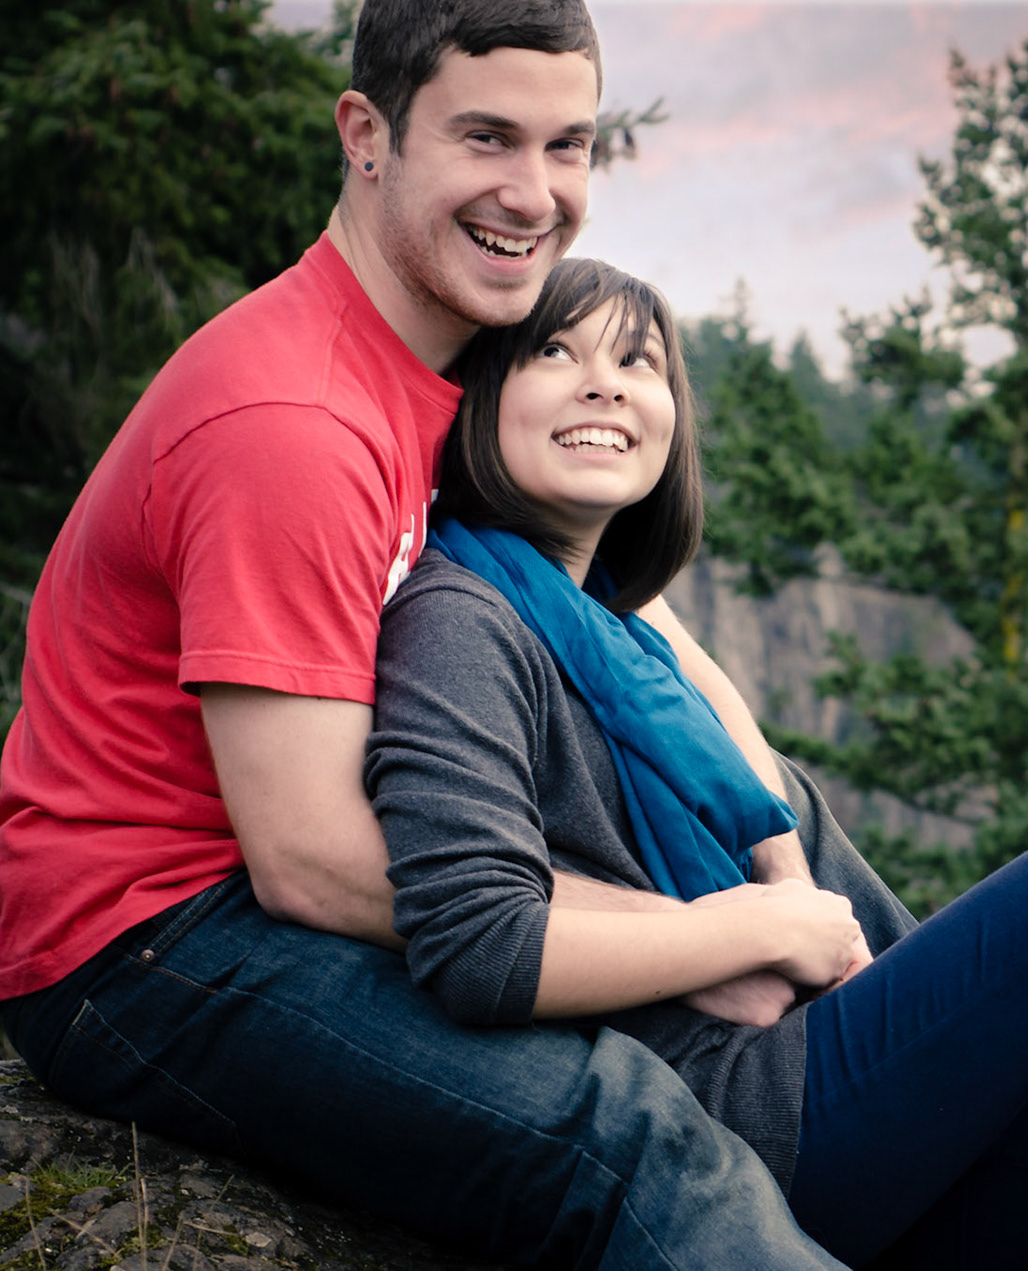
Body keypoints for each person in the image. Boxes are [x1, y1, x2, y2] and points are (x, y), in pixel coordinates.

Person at [0, 3, 852, 1267]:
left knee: (768, 836)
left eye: (568, 145)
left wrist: (788, 881)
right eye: (487, 138)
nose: (535, 194)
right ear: (367, 135)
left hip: (316, 866)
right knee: (627, 1130)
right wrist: (698, 937)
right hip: (148, 930)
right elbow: (309, 863)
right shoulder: (294, 422)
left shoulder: (452, 353)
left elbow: (637, 621)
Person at [369, 255, 1028, 1271]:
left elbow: (811, 872)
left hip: (832, 1070)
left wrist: (1006, 1029)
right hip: (740, 1112)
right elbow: (478, 939)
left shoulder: (626, 642)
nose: (605, 384)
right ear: (481, 397)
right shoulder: (463, 618)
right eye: (556, 351)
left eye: (639, 362)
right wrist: (750, 929)